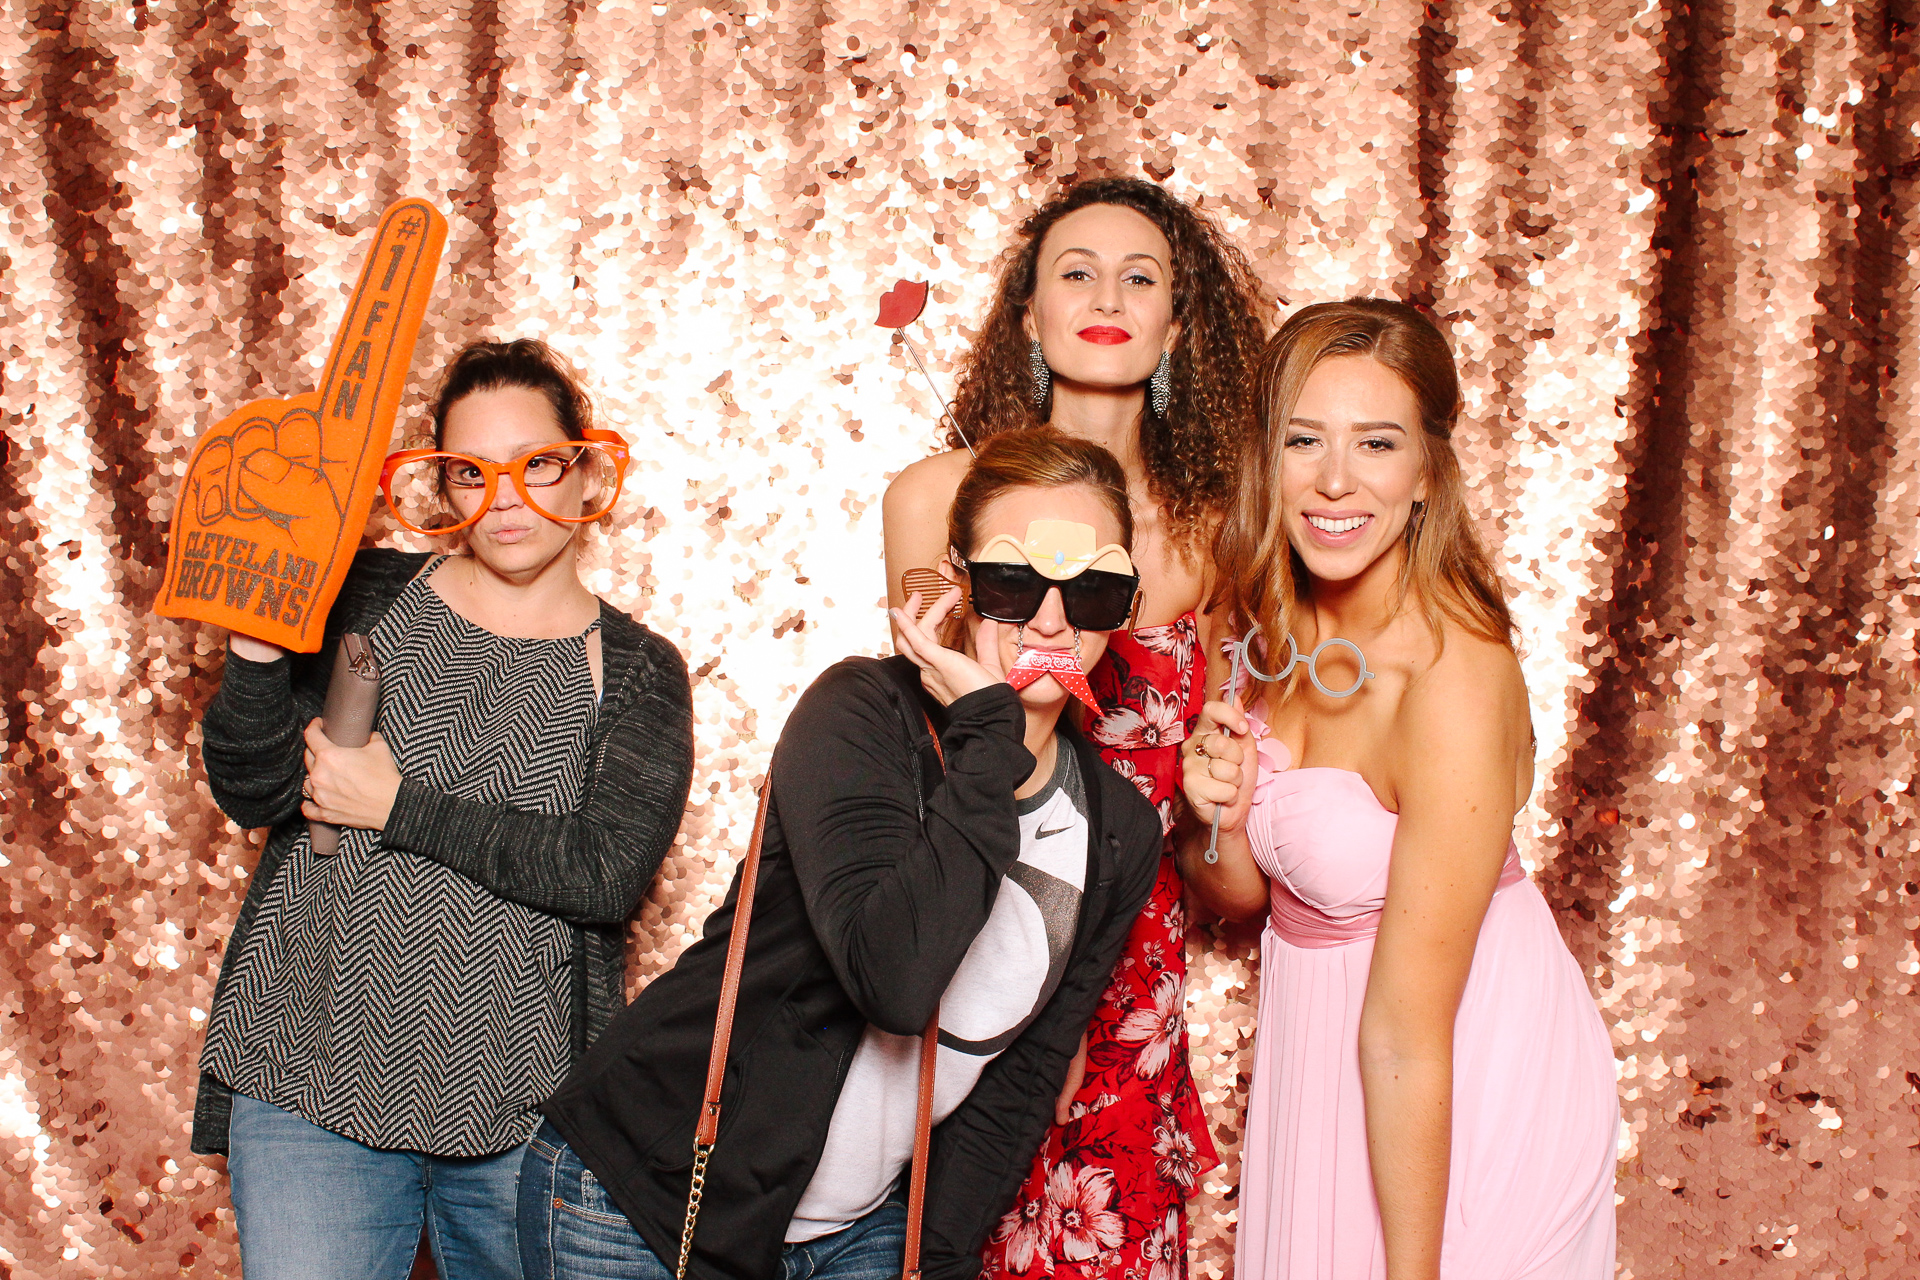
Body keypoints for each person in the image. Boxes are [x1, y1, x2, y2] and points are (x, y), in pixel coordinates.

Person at [520, 431, 1163, 1280]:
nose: (1050, 620)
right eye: (1013, 582)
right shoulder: (861, 713)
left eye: (1090, 589)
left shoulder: (1118, 830)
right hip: (648, 1199)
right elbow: (894, 981)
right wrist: (989, 736)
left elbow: (1021, 1081)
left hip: (857, 1233)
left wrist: (934, 1262)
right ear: (959, 583)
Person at [190, 339, 696, 1279]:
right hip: (305, 1072)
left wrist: (397, 805)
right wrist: (255, 651)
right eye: (471, 471)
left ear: (587, 472)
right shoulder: (367, 595)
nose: (504, 499)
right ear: (444, 484)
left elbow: (604, 872)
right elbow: (253, 788)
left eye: (536, 464)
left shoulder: (636, 670)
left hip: (518, 1112)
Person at [1176, 299, 1618, 1280]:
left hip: (1456, 1071)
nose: (1335, 480)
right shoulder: (1246, 623)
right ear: (1266, 459)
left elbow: (1407, 1033)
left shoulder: (1452, 672)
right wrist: (1216, 820)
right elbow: (1243, 902)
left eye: (1376, 443)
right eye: (1304, 440)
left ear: (1425, 472)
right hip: (1324, 1061)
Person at [882, 176, 1271, 1276]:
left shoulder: (1218, 531)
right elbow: (925, 760)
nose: (1107, 296)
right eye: (1077, 272)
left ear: (1177, 327)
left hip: (1132, 976)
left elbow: (1218, 867)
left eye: (1139, 277)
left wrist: (1223, 812)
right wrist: (1017, 1010)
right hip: (979, 940)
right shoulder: (937, 498)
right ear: (1028, 314)